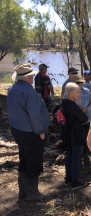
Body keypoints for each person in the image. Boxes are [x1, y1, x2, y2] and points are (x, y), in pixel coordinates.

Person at [8, 63, 49, 201]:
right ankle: (33, 193)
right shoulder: (30, 92)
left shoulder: (12, 89)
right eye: (30, 75)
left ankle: (23, 191)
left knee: (24, 158)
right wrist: (40, 131)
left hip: (17, 130)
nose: (32, 77)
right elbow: (34, 114)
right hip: (31, 132)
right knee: (34, 160)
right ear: (26, 77)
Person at [61, 83, 88, 189]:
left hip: (66, 133)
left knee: (69, 156)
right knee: (76, 157)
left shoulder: (63, 103)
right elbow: (84, 118)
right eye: (78, 92)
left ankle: (68, 178)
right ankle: (75, 181)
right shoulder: (72, 105)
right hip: (75, 134)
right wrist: (82, 111)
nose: (80, 94)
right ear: (70, 93)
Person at [69, 75, 91, 168]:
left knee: (86, 138)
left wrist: (87, 109)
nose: (80, 84)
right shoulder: (69, 93)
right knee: (77, 139)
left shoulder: (87, 91)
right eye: (78, 83)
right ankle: (78, 157)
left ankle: (86, 155)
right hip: (75, 120)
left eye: (81, 82)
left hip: (87, 118)